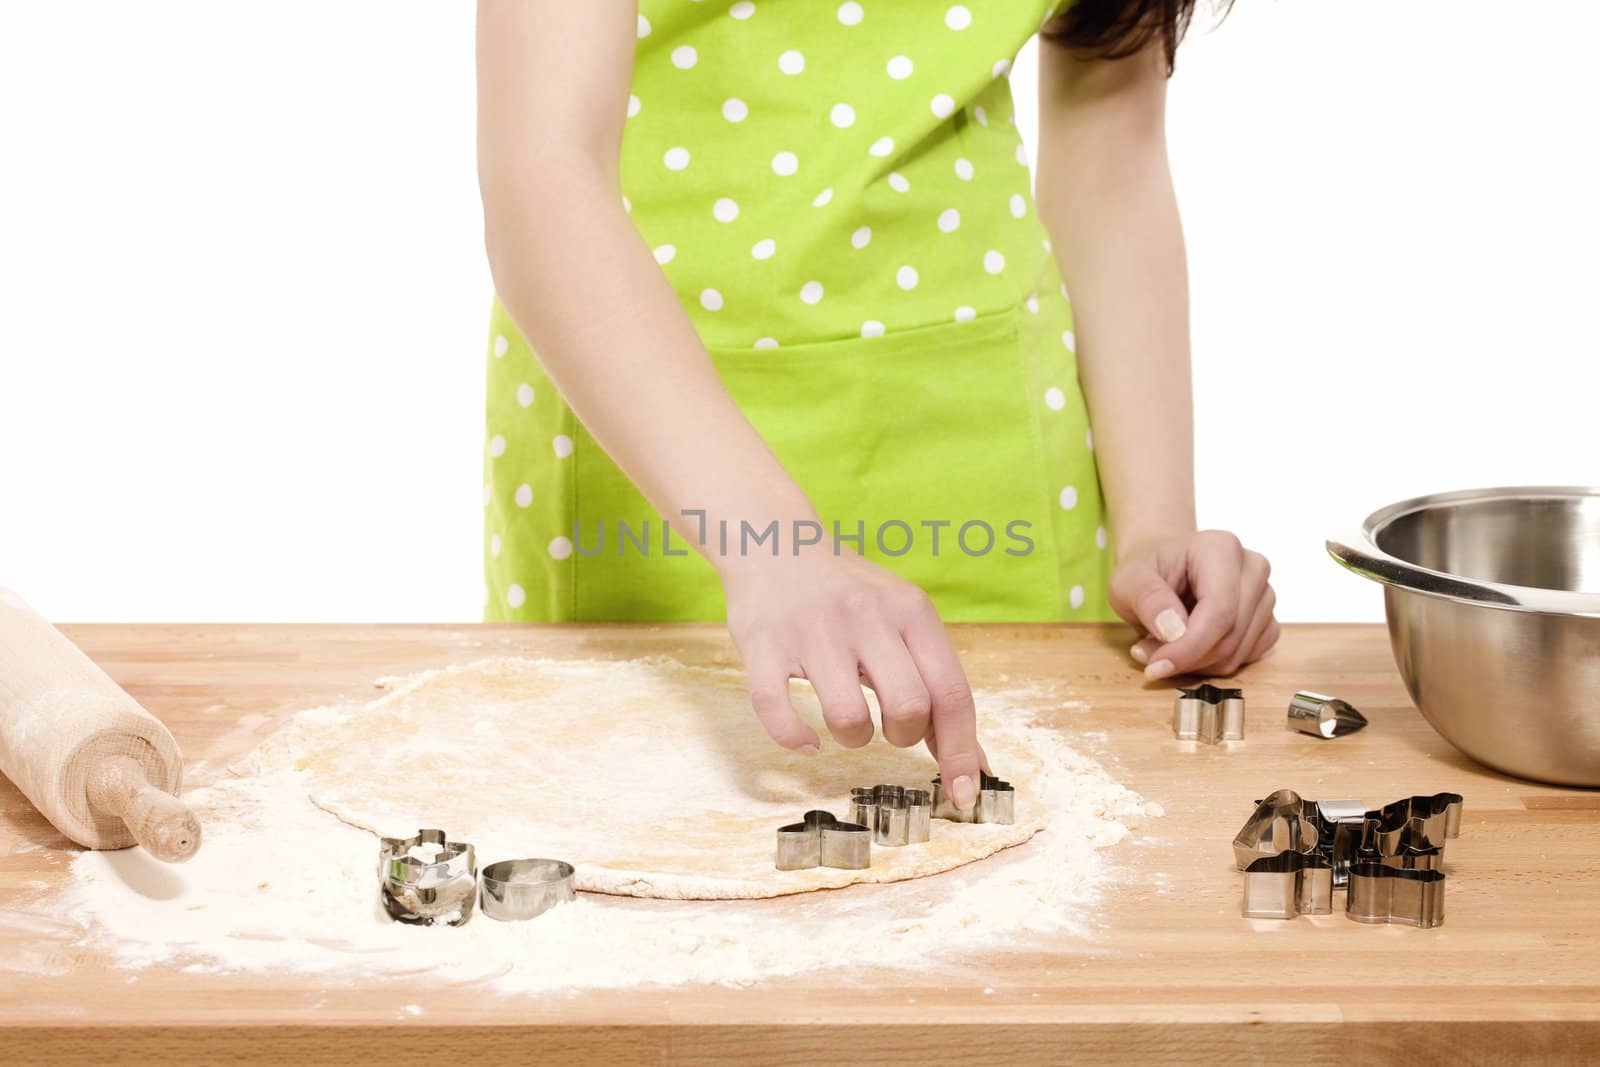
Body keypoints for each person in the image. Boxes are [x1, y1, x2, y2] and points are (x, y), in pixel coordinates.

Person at [476, 0, 1274, 812]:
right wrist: (770, 545)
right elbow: (545, 173)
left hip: (1003, 479)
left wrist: (1155, 527)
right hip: (652, 461)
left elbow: (1111, 137)